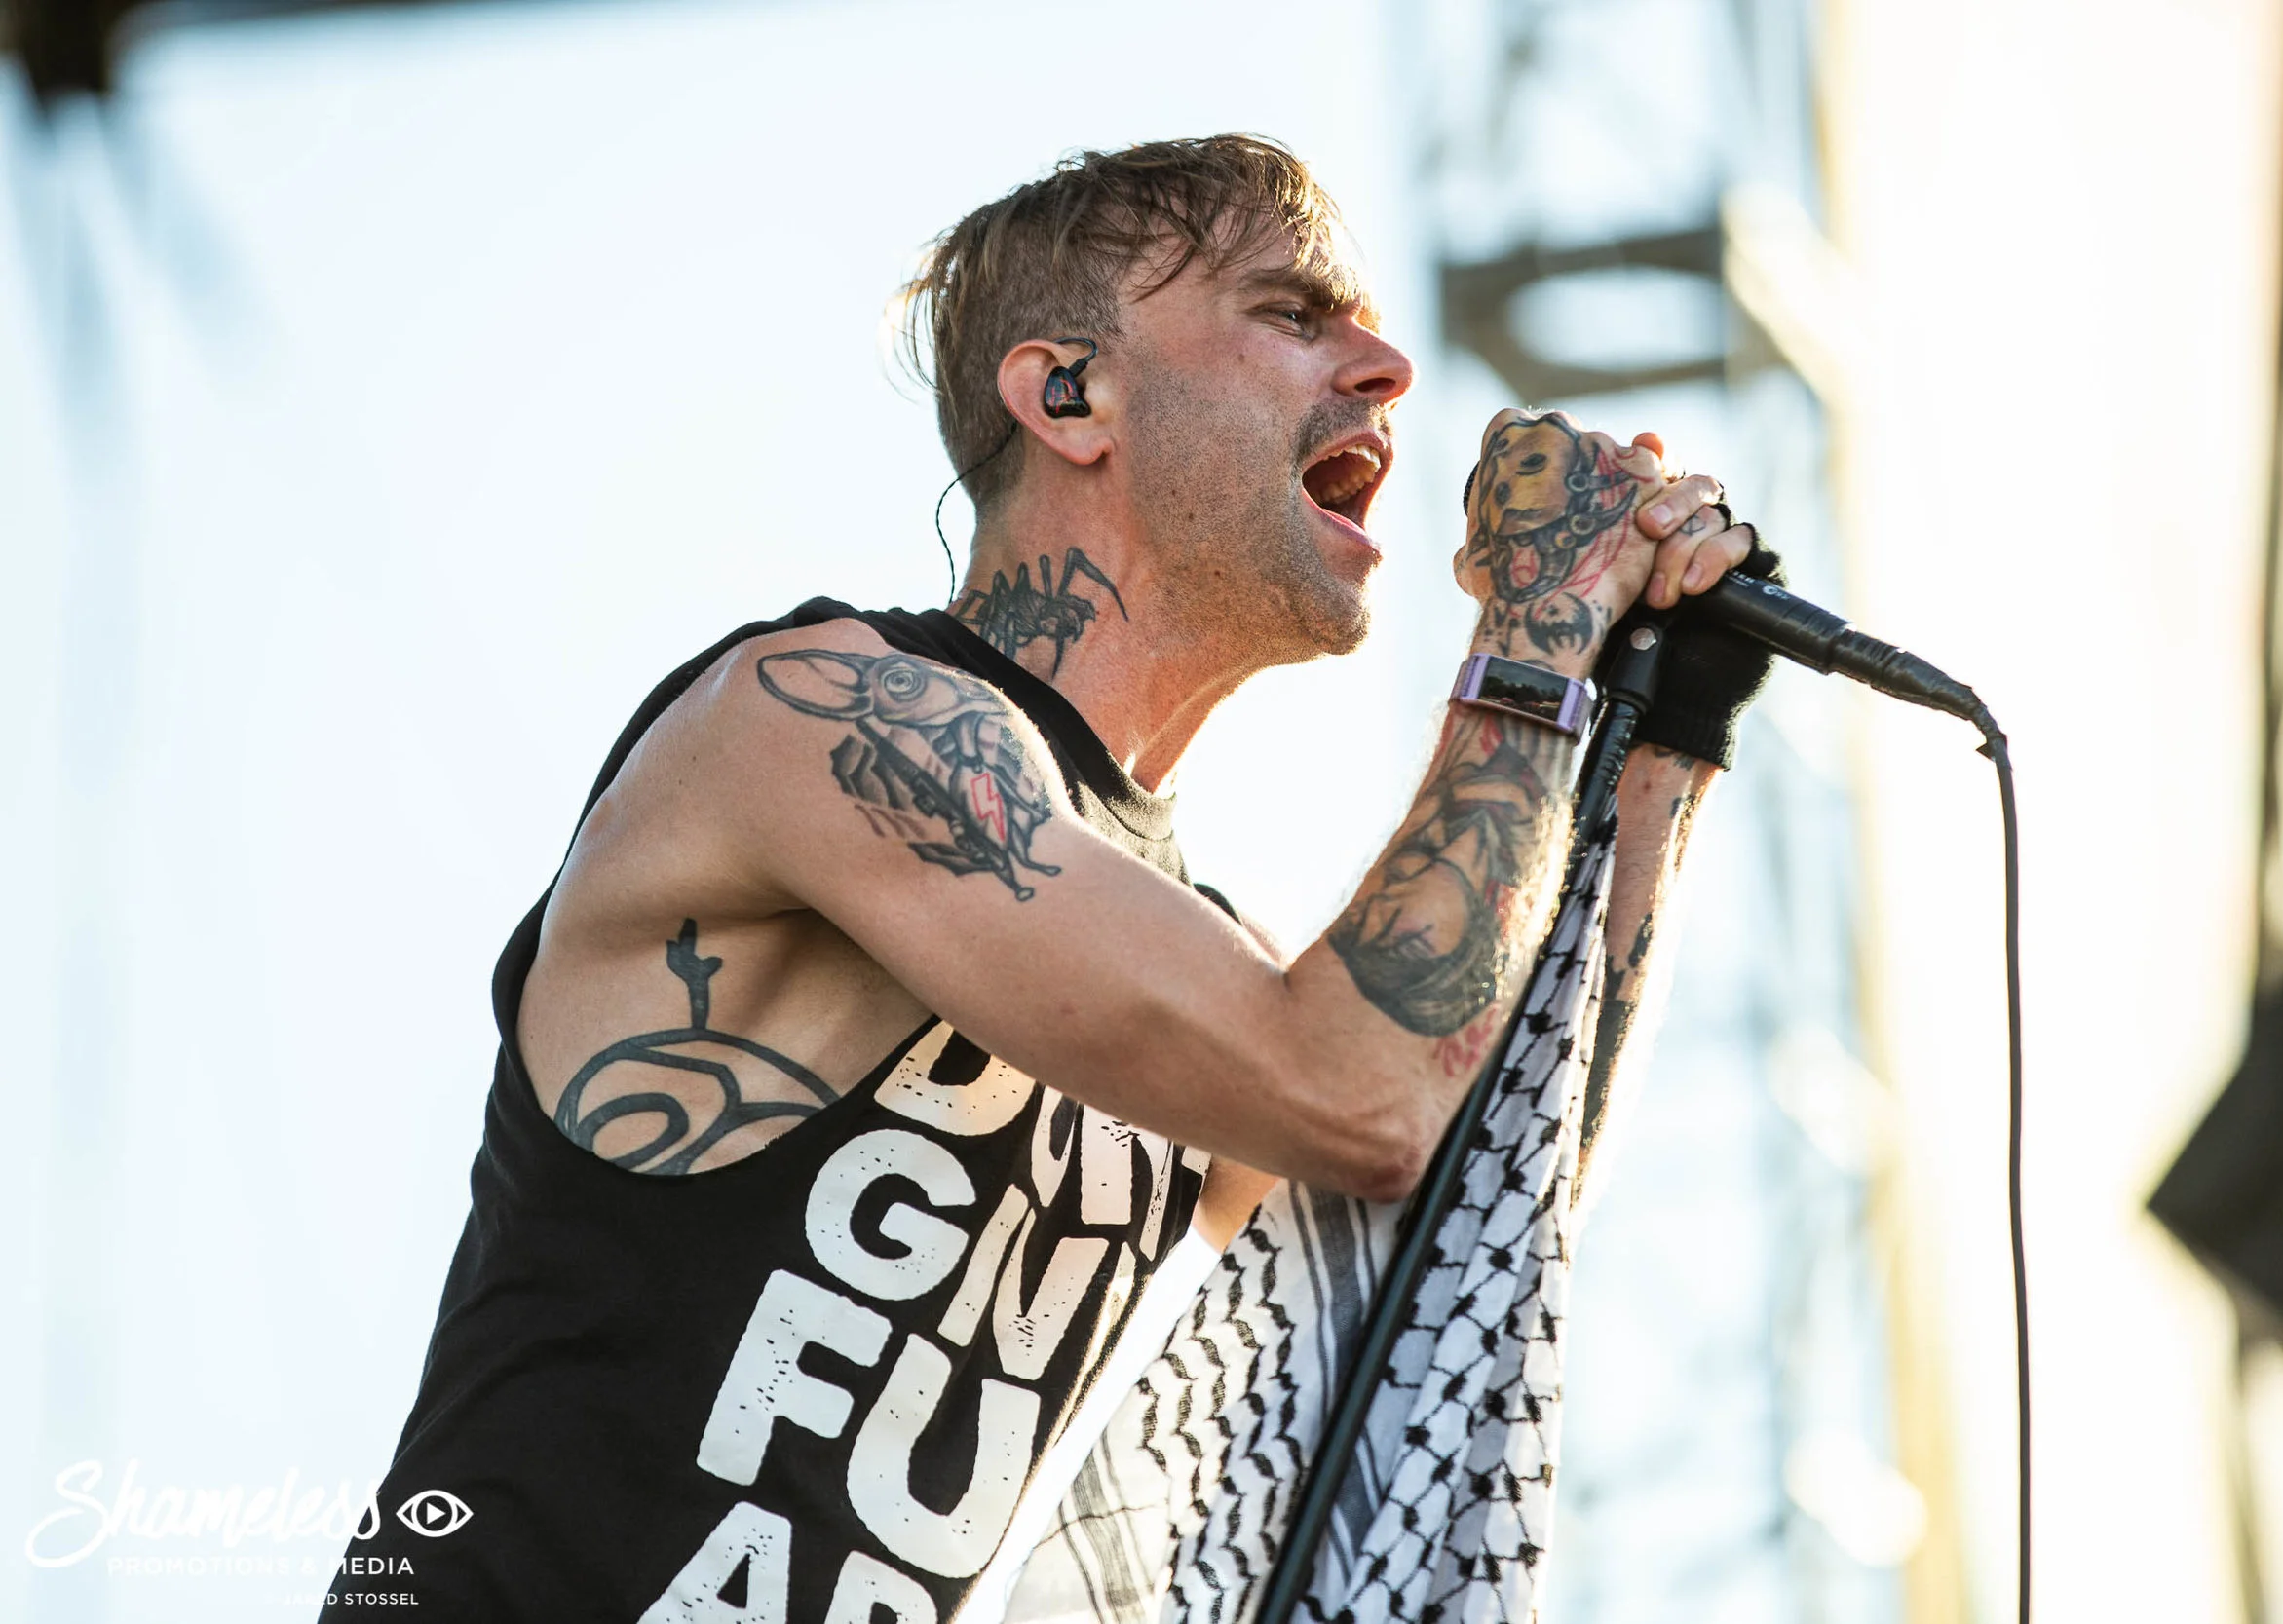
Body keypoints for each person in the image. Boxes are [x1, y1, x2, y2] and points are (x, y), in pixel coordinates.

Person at [324, 134, 1769, 1624]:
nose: (1387, 367)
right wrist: (1533, 630)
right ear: (1068, 393)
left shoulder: (1209, 959)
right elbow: (1360, 1091)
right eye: (1291, 313)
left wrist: (1663, 730)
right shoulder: (823, 720)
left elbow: (1472, 1241)